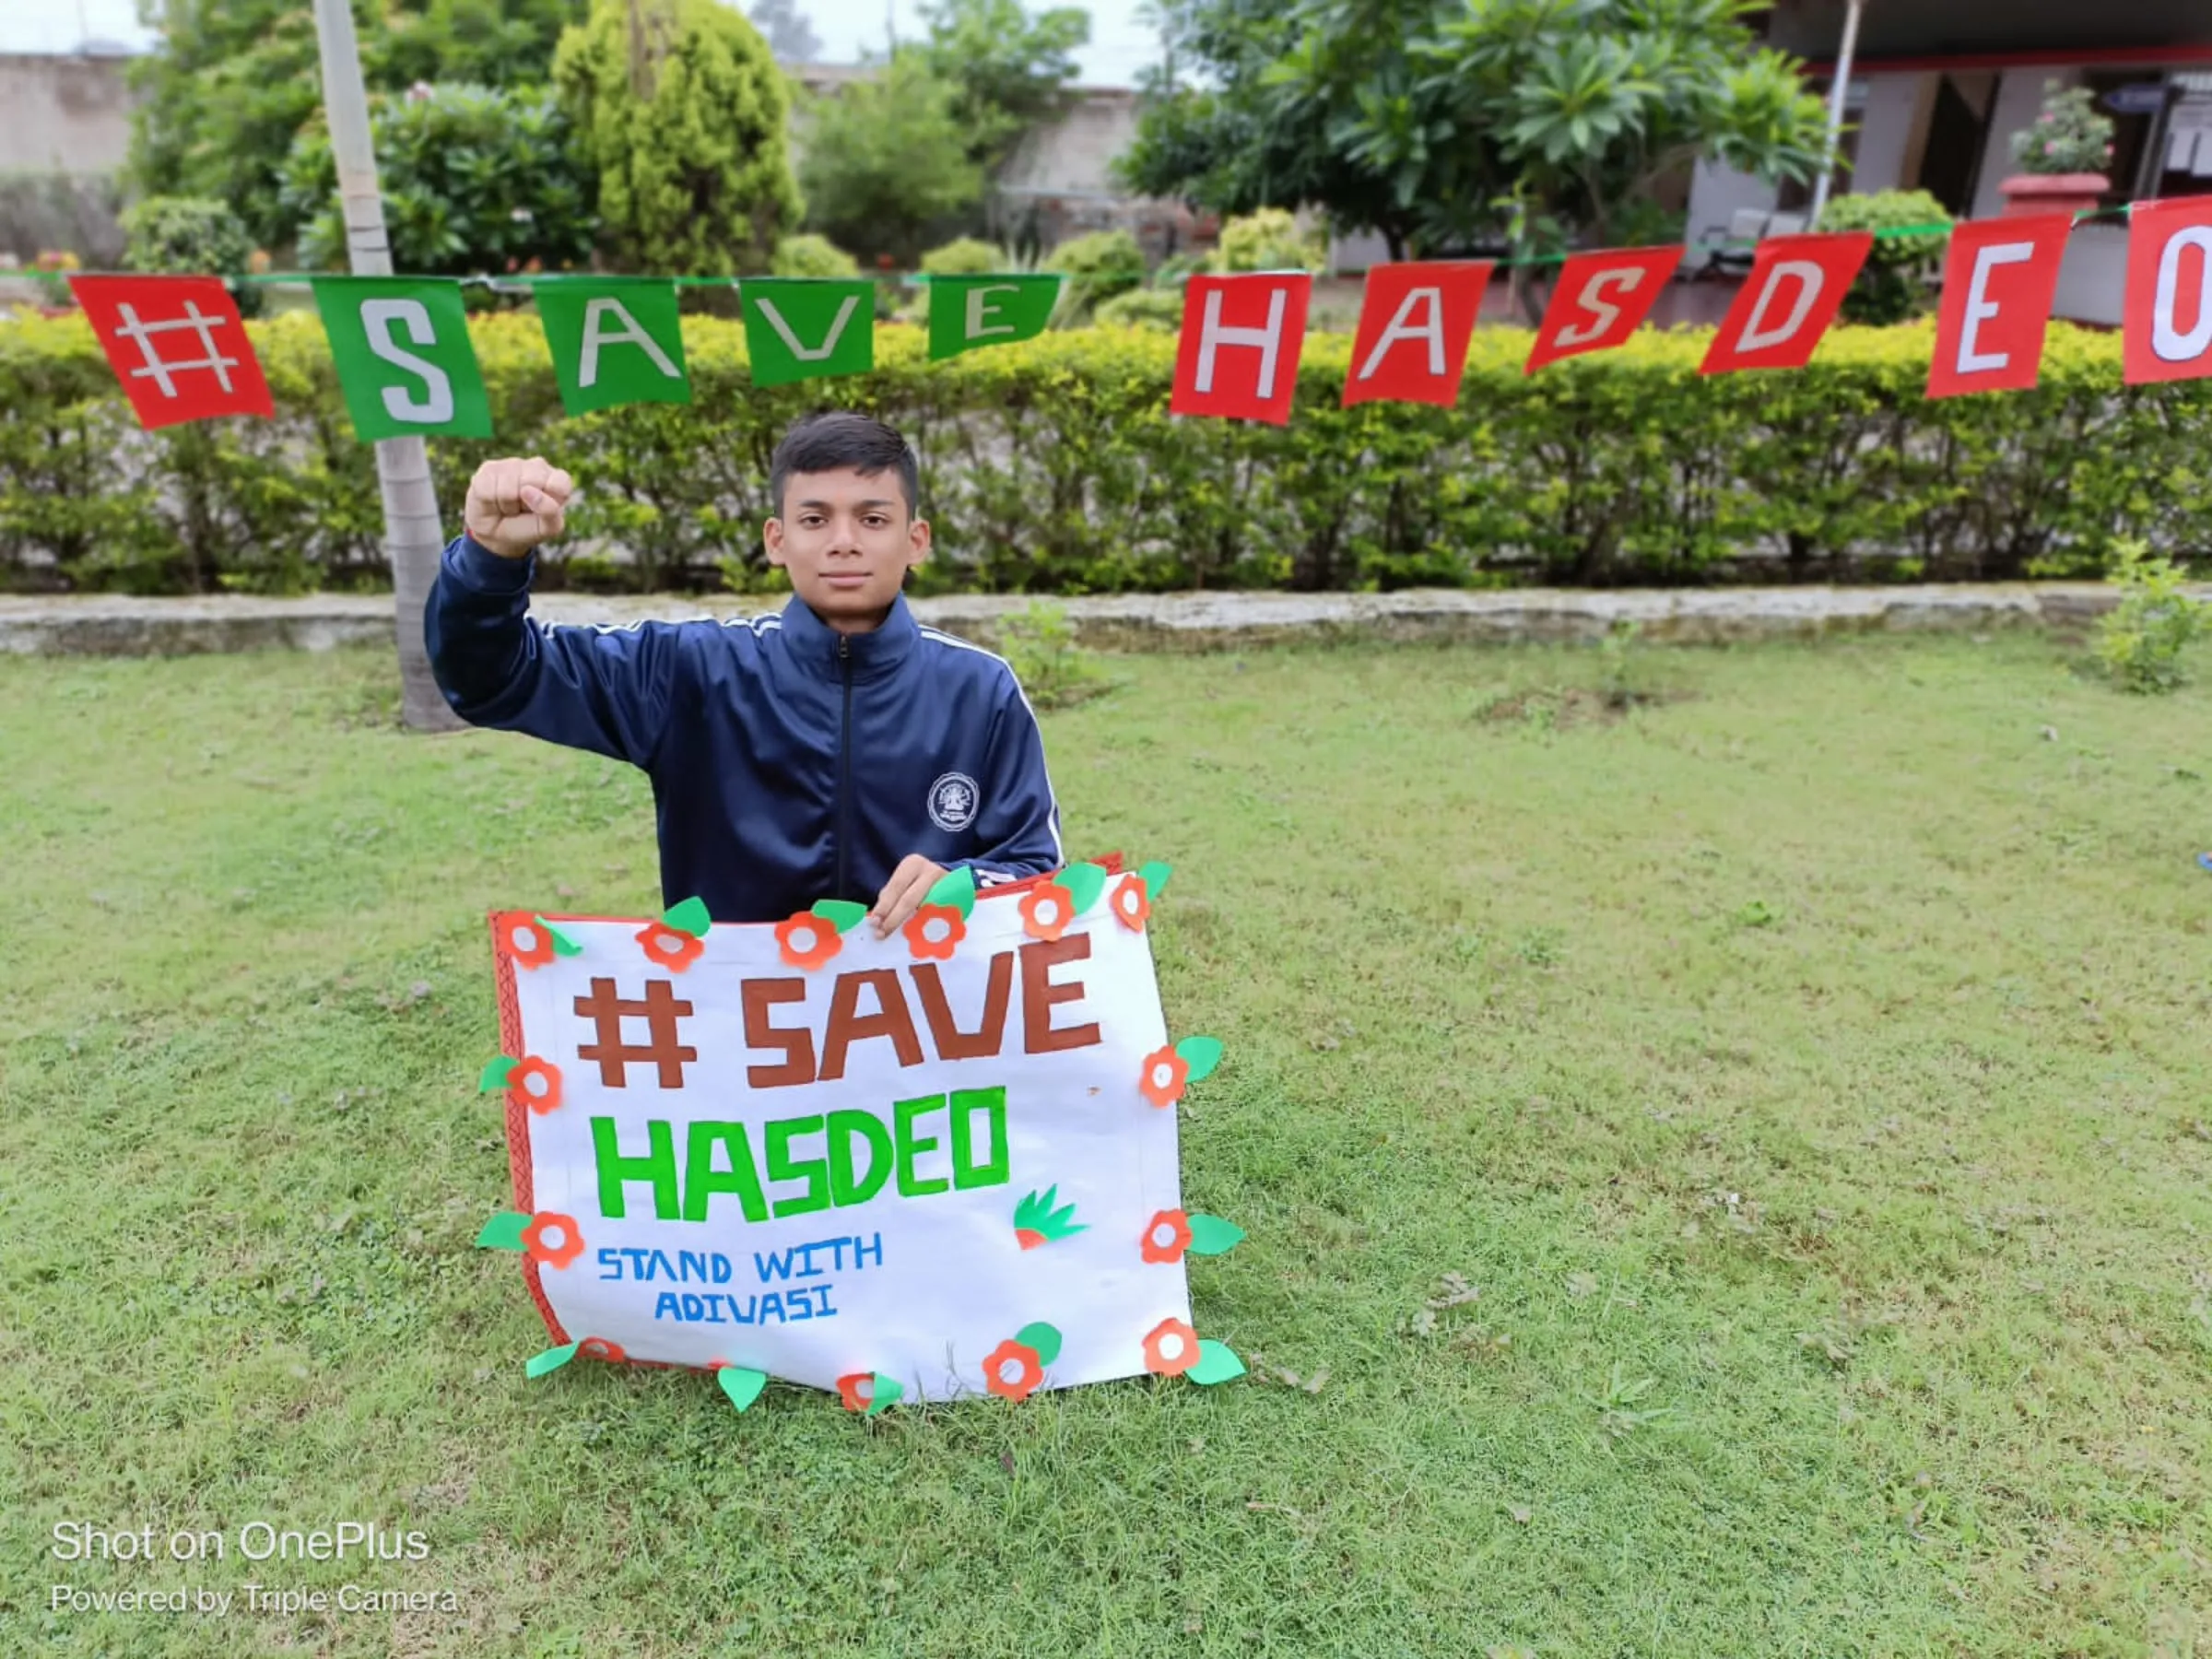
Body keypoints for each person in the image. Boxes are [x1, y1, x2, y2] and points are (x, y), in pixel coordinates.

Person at [424, 411, 1065, 932]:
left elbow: (1037, 866)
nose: (843, 541)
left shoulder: (981, 689)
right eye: (814, 519)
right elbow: (493, 680)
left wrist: (966, 883)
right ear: (776, 540)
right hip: (742, 1048)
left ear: (916, 540)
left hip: (921, 1043)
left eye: (873, 519)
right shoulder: (688, 671)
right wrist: (488, 560)